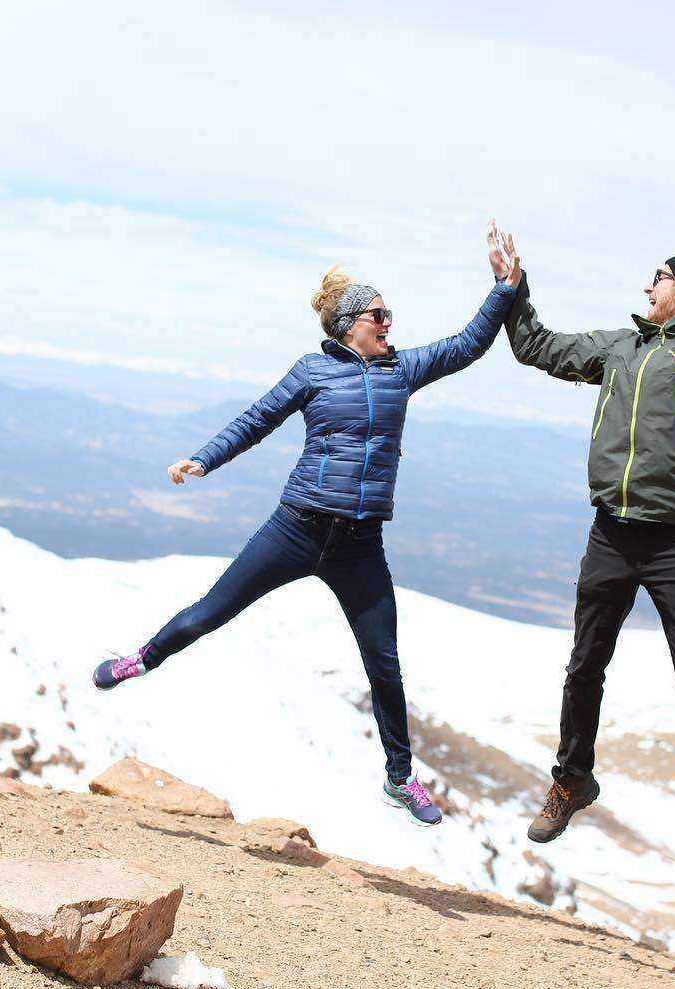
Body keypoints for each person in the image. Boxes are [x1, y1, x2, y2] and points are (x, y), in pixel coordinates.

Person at [93, 222, 522, 826]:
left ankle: (400, 779)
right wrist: (205, 458)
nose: (389, 322)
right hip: (296, 527)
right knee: (210, 612)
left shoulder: (403, 368)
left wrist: (503, 288)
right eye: (380, 314)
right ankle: (142, 657)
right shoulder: (312, 371)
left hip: (359, 543)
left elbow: (469, 343)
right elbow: (256, 419)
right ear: (350, 324)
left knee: (385, 662)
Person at [493, 230, 675, 882]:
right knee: (584, 665)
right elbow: (539, 348)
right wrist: (514, 291)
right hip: (611, 532)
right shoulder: (621, 347)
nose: (645, 287)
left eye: (655, 277)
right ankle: (572, 781)